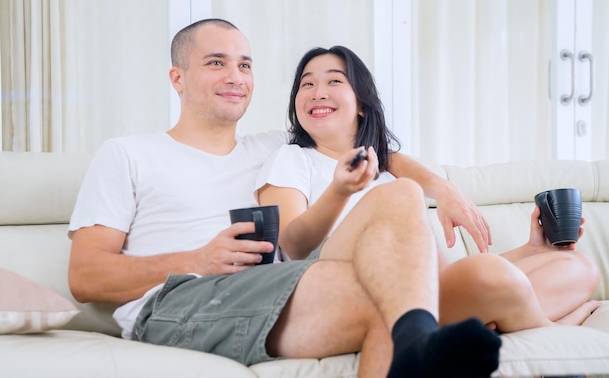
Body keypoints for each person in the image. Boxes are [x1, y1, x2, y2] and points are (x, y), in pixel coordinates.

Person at [67, 18, 504, 378]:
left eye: (245, 65)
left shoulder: (274, 147)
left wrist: (441, 188)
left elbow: (373, 149)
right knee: (392, 294)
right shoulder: (128, 153)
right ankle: (419, 341)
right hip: (177, 301)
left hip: (270, 286)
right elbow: (85, 277)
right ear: (177, 78)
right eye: (216, 62)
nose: (235, 77)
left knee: (394, 273)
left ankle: (415, 346)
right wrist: (197, 259)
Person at [255, 45, 601, 330]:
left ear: (361, 104)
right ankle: (550, 327)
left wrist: (531, 250)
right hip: (350, 291)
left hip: (427, 291)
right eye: (306, 84)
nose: (318, 93)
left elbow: (443, 274)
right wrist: (339, 190)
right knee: (492, 276)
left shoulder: (387, 173)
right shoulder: (292, 159)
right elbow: (294, 246)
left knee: (579, 267)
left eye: (334, 81)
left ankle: (490, 322)